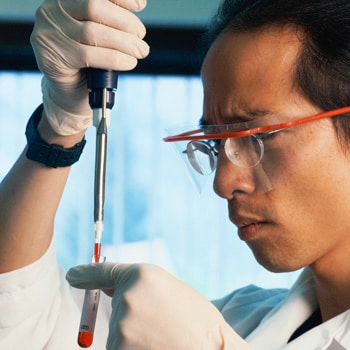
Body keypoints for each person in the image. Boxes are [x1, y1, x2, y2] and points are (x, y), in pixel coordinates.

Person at [1, 0, 350, 348]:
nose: (224, 183)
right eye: (215, 145)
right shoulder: (241, 321)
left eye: (258, 137)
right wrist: (60, 124)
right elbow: (23, 321)